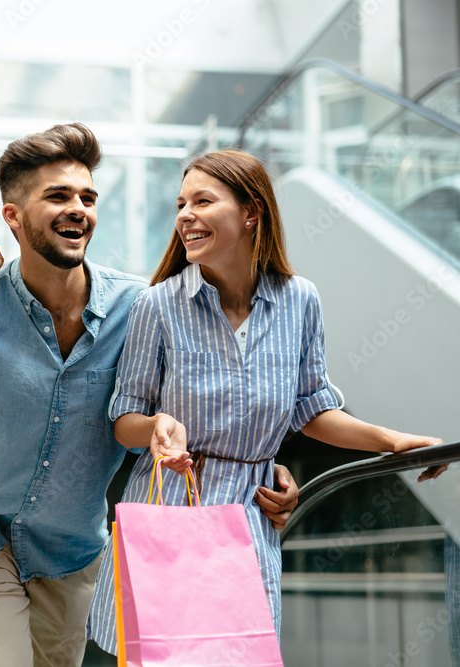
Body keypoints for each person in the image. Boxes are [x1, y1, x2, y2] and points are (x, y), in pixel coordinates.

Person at [0, 125, 298, 667]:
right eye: (58, 196)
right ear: (13, 217)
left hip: (73, 548)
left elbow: (212, 400)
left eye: (87, 197)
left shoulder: (140, 307)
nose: (78, 209)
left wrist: (267, 468)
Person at [86, 148, 444, 655]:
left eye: (203, 202)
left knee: (239, 653)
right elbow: (124, 419)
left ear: (251, 212)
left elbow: (313, 410)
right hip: (169, 513)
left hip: (250, 522)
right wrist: (158, 427)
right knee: (165, 656)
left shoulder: (301, 301)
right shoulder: (158, 305)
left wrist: (391, 441)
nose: (185, 215)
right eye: (181, 204)